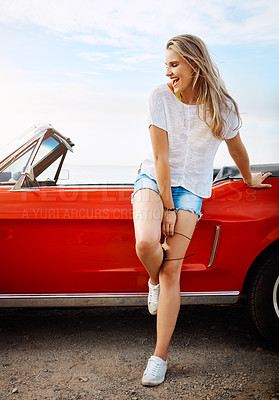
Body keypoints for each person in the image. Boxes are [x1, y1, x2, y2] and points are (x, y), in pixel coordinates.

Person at [131, 34, 272, 387]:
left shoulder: (222, 106)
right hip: (154, 179)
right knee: (147, 246)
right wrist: (167, 208)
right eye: (166, 66)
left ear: (195, 64)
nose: (169, 72)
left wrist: (247, 179)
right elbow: (162, 158)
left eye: (174, 65)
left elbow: (236, 147)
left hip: (192, 190)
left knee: (172, 273)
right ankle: (151, 281)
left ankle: (159, 356)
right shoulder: (159, 96)